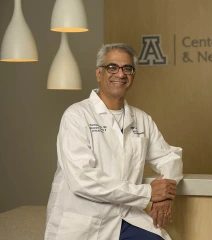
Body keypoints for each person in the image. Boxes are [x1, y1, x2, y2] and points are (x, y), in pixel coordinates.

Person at [44, 43, 183, 240]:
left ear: (133, 76)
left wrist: (165, 194)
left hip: (124, 219)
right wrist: (148, 193)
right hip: (84, 222)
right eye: (112, 67)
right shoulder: (76, 116)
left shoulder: (141, 119)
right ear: (98, 73)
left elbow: (169, 157)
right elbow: (83, 180)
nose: (120, 73)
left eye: (127, 68)